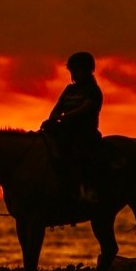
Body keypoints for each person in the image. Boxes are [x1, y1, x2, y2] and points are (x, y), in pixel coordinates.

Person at [41, 52, 103, 203]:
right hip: (66, 131)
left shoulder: (93, 90)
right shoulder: (69, 90)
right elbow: (57, 108)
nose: (73, 75)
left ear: (87, 70)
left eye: (76, 71)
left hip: (84, 132)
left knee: (81, 155)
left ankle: (89, 190)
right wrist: (54, 118)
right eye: (72, 71)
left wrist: (66, 117)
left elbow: (86, 108)